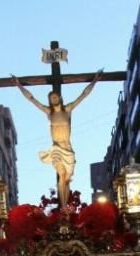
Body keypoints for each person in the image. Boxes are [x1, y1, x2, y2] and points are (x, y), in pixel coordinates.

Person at [12, 70, 104, 209]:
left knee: (67, 180)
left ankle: (66, 207)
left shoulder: (67, 110)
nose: (53, 99)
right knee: (61, 175)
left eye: (55, 97)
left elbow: (83, 95)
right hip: (56, 148)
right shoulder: (49, 112)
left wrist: (94, 81)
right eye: (51, 98)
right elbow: (32, 99)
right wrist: (19, 86)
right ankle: (63, 209)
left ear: (59, 98)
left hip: (68, 149)